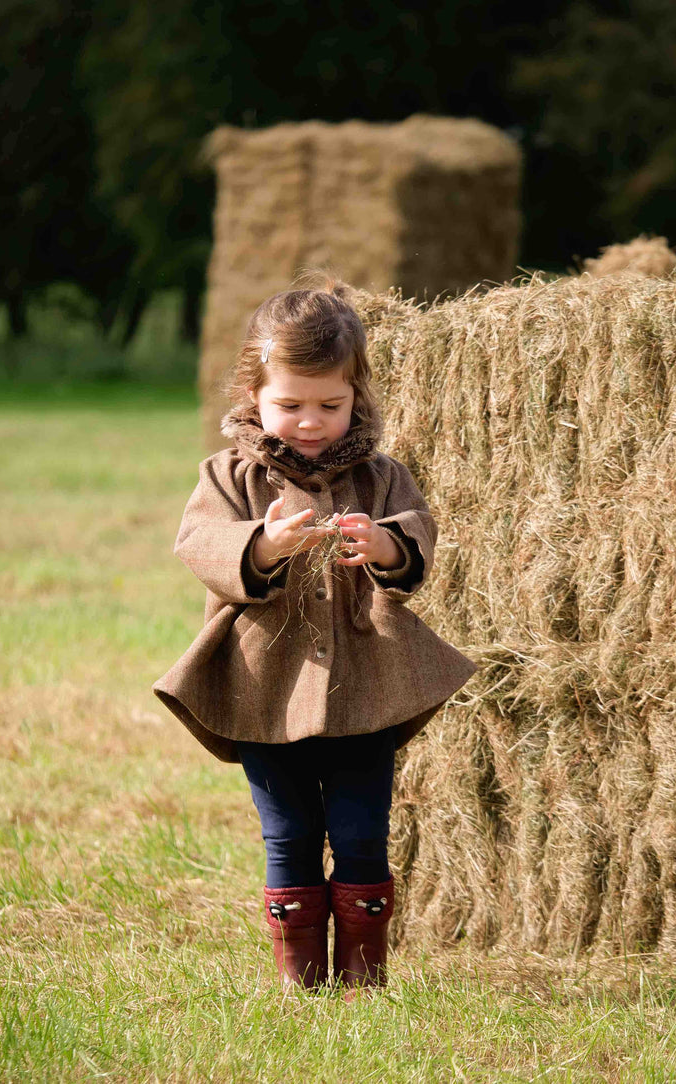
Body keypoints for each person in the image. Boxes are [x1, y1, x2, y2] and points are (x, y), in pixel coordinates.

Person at [153, 280, 476, 991]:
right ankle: (302, 979)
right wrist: (262, 547)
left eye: (329, 406)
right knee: (289, 834)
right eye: (289, 404)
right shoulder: (229, 476)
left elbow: (418, 535)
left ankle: (363, 980)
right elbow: (199, 542)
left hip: (368, 689)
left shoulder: (381, 476)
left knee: (363, 833)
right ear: (252, 395)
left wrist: (385, 547)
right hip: (263, 693)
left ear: (356, 396)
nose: (308, 421)